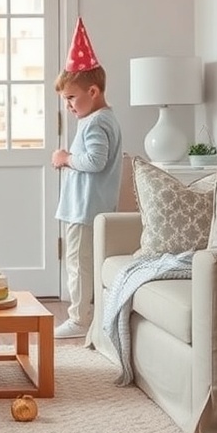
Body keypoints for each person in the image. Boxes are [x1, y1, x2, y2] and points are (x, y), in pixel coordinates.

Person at [51, 18, 122, 339]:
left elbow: (95, 161)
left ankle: (79, 319)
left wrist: (65, 158)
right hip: (87, 205)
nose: (67, 106)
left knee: (78, 264)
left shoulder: (95, 123)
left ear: (92, 91)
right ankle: (88, 316)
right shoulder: (102, 118)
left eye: (70, 98)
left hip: (84, 208)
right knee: (84, 262)